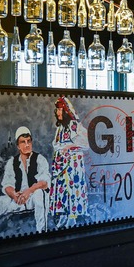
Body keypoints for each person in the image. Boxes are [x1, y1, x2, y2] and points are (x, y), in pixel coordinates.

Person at [0, 126, 50, 242]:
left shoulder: (40, 159)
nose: (27, 145)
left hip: (33, 199)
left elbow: (44, 182)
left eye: (29, 141)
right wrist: (14, 194)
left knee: (39, 194)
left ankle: (42, 233)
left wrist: (29, 191)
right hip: (18, 200)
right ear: (18, 146)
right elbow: (7, 185)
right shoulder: (12, 163)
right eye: (23, 142)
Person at [49, 97, 88, 228]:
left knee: (72, 189)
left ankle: (72, 217)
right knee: (62, 189)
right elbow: (56, 144)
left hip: (73, 164)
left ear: (65, 110)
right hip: (61, 164)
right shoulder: (60, 128)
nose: (58, 112)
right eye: (57, 110)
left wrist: (70, 147)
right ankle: (64, 214)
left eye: (60, 109)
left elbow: (86, 143)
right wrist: (60, 149)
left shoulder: (74, 125)